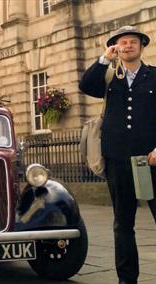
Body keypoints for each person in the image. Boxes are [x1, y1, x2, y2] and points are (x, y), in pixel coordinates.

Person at [79, 25, 156, 284]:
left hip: (152, 160)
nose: (127, 46)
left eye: (133, 41)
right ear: (116, 47)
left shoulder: (154, 76)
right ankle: (127, 279)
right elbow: (85, 85)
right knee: (123, 224)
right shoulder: (109, 77)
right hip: (118, 161)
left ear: (141, 46)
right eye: (122, 42)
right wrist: (104, 59)